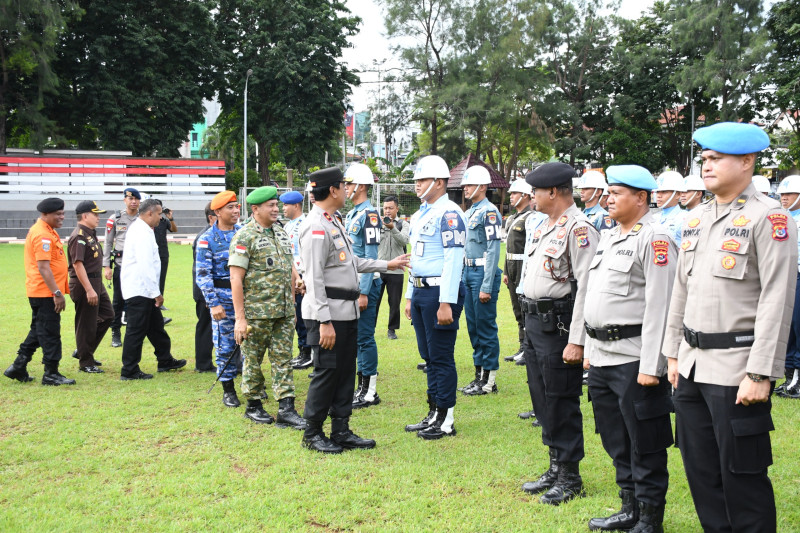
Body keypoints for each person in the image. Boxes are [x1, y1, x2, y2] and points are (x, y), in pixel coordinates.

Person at [662, 122, 797, 532]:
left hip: (737, 369)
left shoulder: (768, 217)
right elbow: (681, 290)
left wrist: (760, 373)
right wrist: (672, 353)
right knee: (702, 475)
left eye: (716, 158)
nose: (706, 165)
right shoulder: (697, 218)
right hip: (691, 367)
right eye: (704, 158)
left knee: (743, 478)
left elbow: (778, 297)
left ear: (746, 161)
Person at [583, 165, 676, 532]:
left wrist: (651, 366)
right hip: (604, 358)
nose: (608, 198)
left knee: (646, 441)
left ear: (641, 198)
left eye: (616, 193)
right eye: (607, 192)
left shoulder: (656, 239)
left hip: (634, 358)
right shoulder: (608, 237)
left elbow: (661, 306)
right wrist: (589, 348)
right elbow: (595, 298)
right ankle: (629, 506)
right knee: (615, 438)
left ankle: (650, 517)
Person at [299, 167, 408, 453]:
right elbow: (313, 278)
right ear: (332, 190)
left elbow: (352, 261)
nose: (346, 190)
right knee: (327, 372)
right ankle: (312, 433)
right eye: (342, 186)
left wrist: (389, 264)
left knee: (345, 371)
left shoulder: (333, 221)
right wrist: (324, 321)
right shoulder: (316, 227)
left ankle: (341, 429)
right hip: (328, 314)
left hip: (345, 312)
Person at [517, 162, 598, 505]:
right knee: (542, 395)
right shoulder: (542, 225)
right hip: (535, 322)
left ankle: (570, 475)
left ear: (553, 192)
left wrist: (578, 339)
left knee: (562, 399)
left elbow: (587, 288)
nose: (532, 196)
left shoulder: (580, 230)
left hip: (561, 324)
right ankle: (554, 464)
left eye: (536, 190)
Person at [229, 186, 306, 430]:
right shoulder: (245, 236)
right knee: (253, 360)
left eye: (276, 204)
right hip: (256, 314)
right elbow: (236, 279)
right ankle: (253, 405)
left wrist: (296, 278)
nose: (276, 209)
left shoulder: (280, 232)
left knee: (283, 359)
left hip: (283, 312)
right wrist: (240, 319)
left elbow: (288, 262)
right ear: (255, 209)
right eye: (271, 205)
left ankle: (287, 409)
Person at [403, 155, 467, 439]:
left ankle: (446, 418)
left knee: (441, 356)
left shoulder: (450, 213)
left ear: (439, 183)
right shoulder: (421, 214)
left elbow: (454, 260)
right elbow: (414, 258)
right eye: (416, 180)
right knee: (427, 356)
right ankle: (433, 411)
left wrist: (446, 301)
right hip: (420, 289)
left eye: (422, 180)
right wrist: (408, 294)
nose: (417, 185)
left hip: (440, 293)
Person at [4, 198, 75, 386]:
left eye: (63, 213)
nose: (62, 217)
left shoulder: (47, 231)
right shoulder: (42, 234)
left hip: (41, 291)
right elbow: (44, 267)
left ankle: (18, 366)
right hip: (45, 292)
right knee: (51, 332)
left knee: (39, 329)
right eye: (58, 214)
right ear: (45, 215)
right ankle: (51, 373)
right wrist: (57, 293)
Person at [119, 199, 186, 380]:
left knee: (156, 328)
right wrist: (156, 292)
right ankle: (129, 370)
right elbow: (145, 265)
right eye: (158, 214)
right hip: (140, 289)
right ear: (150, 213)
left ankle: (165, 360)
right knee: (136, 330)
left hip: (144, 289)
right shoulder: (140, 231)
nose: (160, 218)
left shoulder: (144, 229)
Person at [343, 163, 384, 409]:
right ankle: (360, 386)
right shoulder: (353, 214)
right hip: (351, 283)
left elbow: (370, 257)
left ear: (360, 186)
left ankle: (369, 391)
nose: (346, 188)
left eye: (349, 183)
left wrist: (364, 291)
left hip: (364, 285)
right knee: (356, 337)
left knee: (364, 338)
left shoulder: (369, 215)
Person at [459, 165, 503, 396]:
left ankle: (489, 380)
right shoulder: (470, 212)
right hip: (468, 273)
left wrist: (486, 284)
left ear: (482, 186)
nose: (465, 188)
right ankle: (479, 376)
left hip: (482, 274)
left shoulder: (490, 212)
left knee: (485, 327)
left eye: (469, 184)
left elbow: (494, 250)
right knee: (473, 327)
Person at [196, 191, 243, 407]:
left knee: (249, 344)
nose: (235, 211)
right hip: (222, 300)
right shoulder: (207, 239)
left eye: (237, 206)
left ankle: (252, 385)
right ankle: (228, 389)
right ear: (217, 212)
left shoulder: (244, 234)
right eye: (230, 207)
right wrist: (213, 303)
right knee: (224, 345)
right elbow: (203, 274)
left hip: (244, 298)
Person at [68, 200, 114, 374]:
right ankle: (85, 362)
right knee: (86, 323)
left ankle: (83, 351)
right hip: (84, 283)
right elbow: (78, 265)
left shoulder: (89, 233)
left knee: (108, 315)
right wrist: (88, 289)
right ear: (85, 215)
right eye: (95, 214)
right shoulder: (79, 236)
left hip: (96, 282)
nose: (98, 218)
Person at [103, 188, 140, 347]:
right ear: (124, 200)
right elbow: (108, 242)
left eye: (136, 199)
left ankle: (134, 332)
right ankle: (115, 332)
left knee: (137, 300)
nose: (133, 202)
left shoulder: (143, 218)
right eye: (129, 199)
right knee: (118, 301)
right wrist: (106, 266)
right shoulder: (115, 218)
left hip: (138, 267)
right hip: (120, 265)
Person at [503, 179, 535, 363]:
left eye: (514, 193)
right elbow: (508, 249)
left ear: (524, 196)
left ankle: (528, 348)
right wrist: (507, 271)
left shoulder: (531, 217)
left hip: (524, 268)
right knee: (517, 309)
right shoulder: (513, 218)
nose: (511, 197)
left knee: (525, 308)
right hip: (513, 268)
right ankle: (522, 346)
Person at [282, 190, 313, 371]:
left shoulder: (304, 224)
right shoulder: (288, 226)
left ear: (296, 205)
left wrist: (301, 278)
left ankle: (307, 352)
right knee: (296, 317)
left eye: (286, 205)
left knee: (303, 318)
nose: (283, 208)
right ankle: (302, 350)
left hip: (301, 277)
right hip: (291, 277)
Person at [777, 175, 800, 399]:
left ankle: (797, 379)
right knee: (788, 327)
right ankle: (789, 375)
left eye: (789, 194)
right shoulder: (781, 218)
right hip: (786, 276)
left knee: (798, 327)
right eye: (782, 194)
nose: (784, 198)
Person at [377, 195, 409, 341]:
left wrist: (393, 228)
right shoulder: (376, 223)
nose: (387, 211)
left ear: (397, 208)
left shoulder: (403, 224)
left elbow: (404, 240)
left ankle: (392, 329)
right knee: (374, 301)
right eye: (385, 208)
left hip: (396, 269)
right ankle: (369, 327)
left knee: (394, 302)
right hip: (379, 268)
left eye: (390, 208)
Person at [192, 203, 217, 373]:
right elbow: (202, 270)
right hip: (205, 291)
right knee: (205, 326)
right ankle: (203, 363)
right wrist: (208, 295)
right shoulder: (205, 237)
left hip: (210, 290)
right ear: (211, 217)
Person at [152, 199, 176, 320]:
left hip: (163, 253)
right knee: (153, 278)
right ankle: (153, 302)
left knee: (161, 279)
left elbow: (174, 230)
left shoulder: (164, 221)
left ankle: (159, 302)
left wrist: (170, 218)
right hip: (152, 254)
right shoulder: (150, 221)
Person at [652, 171, 686, 246]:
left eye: (664, 192)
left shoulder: (686, 219)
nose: (658, 196)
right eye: (657, 192)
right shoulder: (654, 218)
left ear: (678, 194)